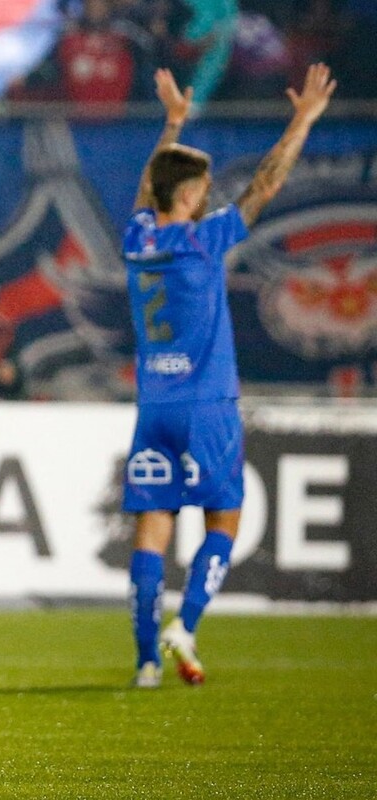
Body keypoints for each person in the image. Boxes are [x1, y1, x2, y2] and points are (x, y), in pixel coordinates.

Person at [123, 65, 335, 688]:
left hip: (154, 407)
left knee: (152, 529)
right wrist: (301, 121)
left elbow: (149, 190)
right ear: (190, 197)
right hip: (207, 405)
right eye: (204, 189)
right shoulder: (203, 241)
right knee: (224, 519)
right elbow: (266, 184)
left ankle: (145, 662)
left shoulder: (138, 238)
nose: (210, 196)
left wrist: (173, 124)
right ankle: (185, 625)